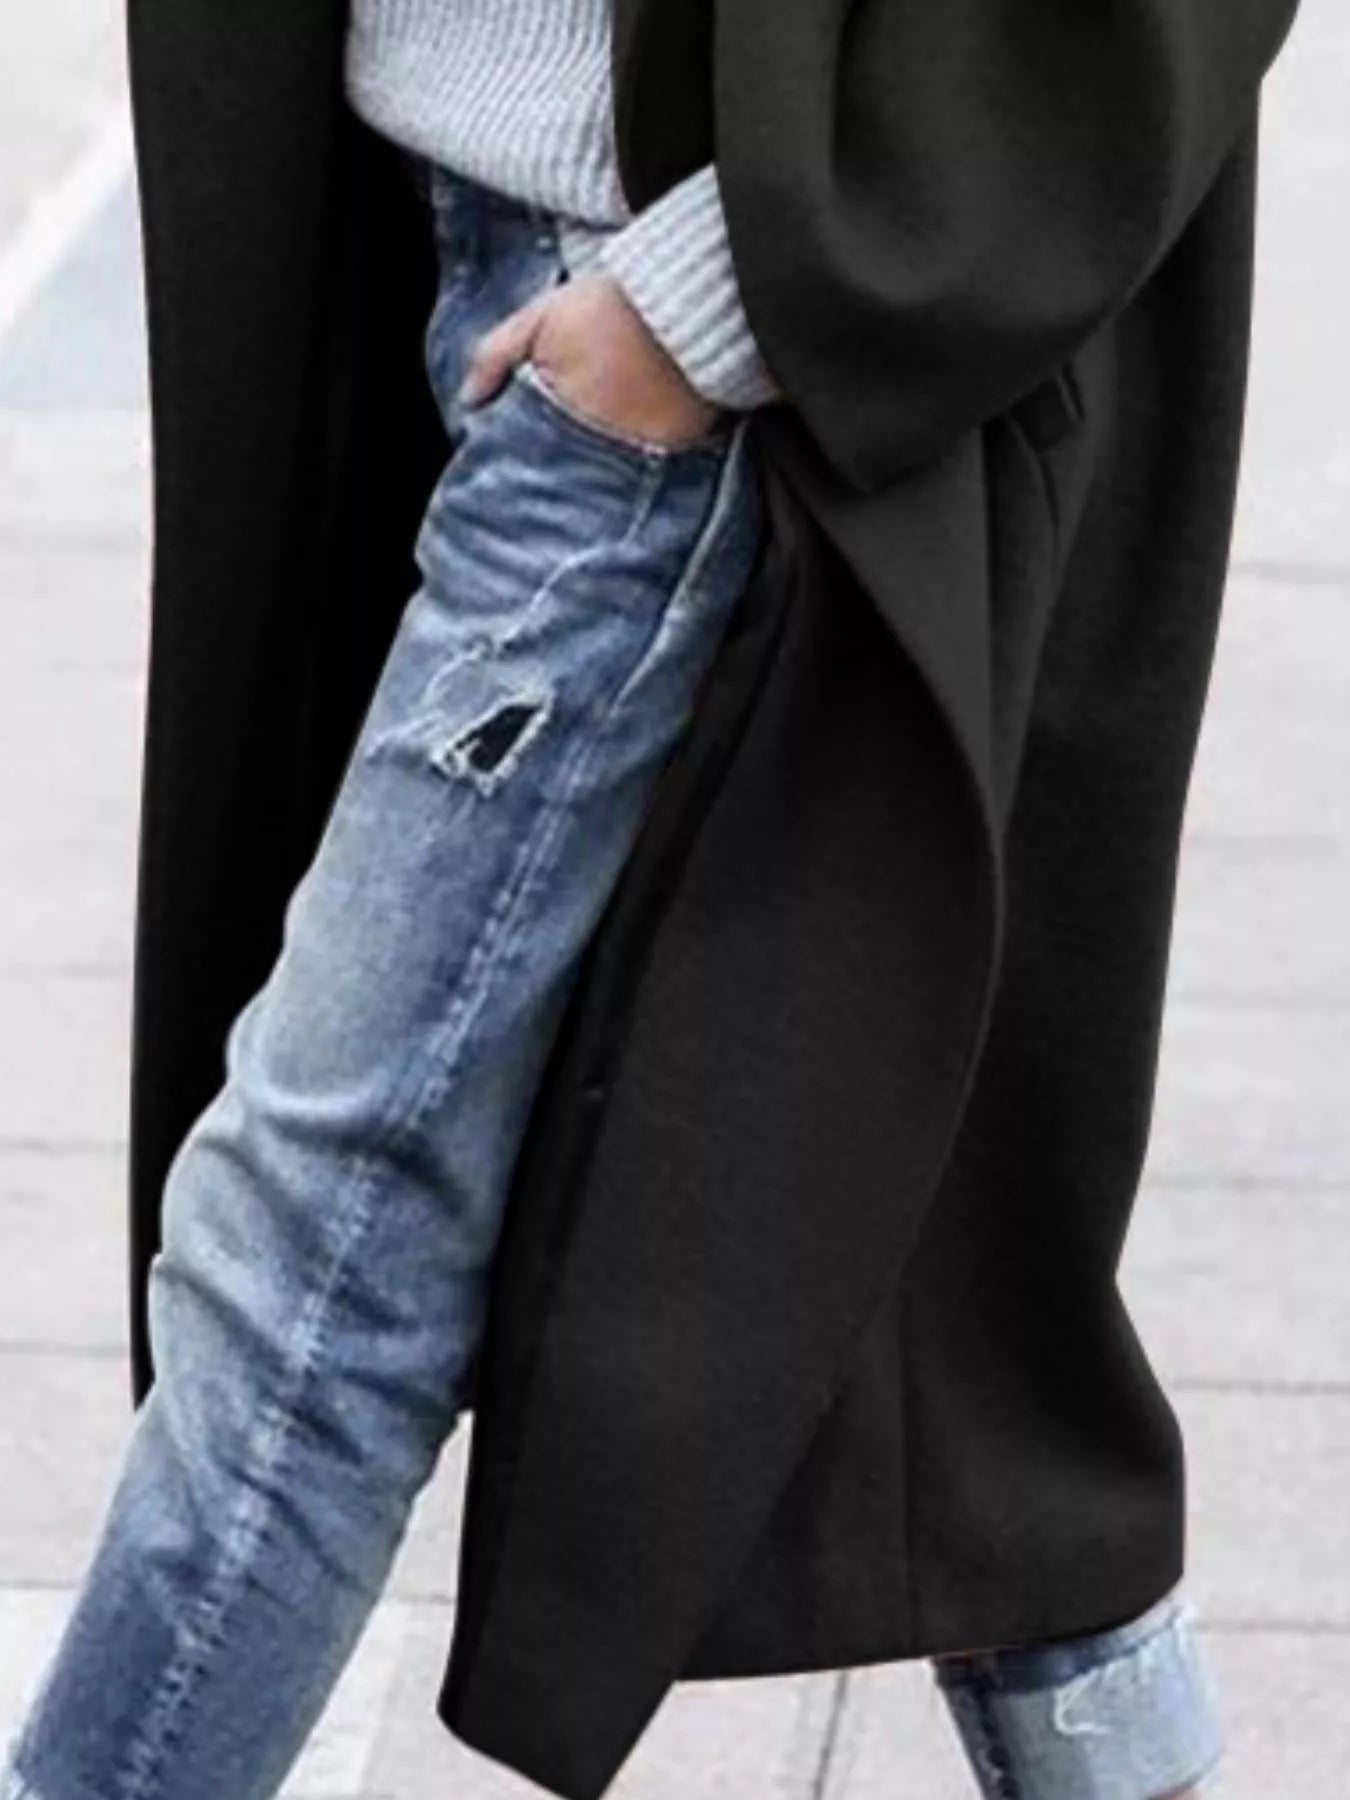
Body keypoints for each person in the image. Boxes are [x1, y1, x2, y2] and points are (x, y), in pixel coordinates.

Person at [3, 0, 1303, 1794]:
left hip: (654, 327)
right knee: (926, 1280)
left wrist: (720, 293)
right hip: (431, 241)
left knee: (314, 1240)